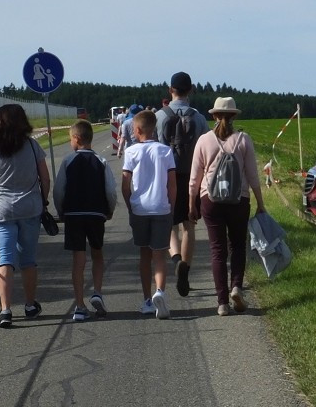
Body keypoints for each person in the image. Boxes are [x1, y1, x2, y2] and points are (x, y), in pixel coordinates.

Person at [188, 97, 265, 316]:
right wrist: (260, 203)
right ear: (234, 116)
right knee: (238, 246)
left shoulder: (204, 140)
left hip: (210, 200)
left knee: (217, 250)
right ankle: (237, 287)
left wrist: (191, 204)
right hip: (238, 200)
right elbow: (252, 175)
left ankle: (222, 303)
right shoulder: (243, 139)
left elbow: (194, 178)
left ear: (213, 116)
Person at [0, 104, 50, 329]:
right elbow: (45, 178)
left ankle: (5, 310)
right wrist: (43, 200)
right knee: (28, 260)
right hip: (30, 209)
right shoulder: (32, 146)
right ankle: (30, 304)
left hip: (2, 211)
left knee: (5, 260)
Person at [53, 120, 118, 322]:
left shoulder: (68, 161)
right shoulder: (101, 161)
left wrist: (61, 210)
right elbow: (110, 190)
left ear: (77, 138)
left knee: (78, 259)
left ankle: (79, 305)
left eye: (70, 138)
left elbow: (58, 190)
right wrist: (109, 210)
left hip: (74, 214)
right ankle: (97, 291)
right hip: (96, 214)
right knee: (97, 254)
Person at [156, 71, 209, 298]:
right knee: (189, 225)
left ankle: (176, 258)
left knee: (170, 226)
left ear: (171, 90)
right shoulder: (198, 118)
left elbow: (156, 149)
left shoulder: (159, 116)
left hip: (168, 177)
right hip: (191, 178)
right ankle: (185, 267)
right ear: (191, 90)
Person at [121, 110, 176, 319]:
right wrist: (171, 205)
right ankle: (160, 291)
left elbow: (126, 184)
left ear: (136, 130)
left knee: (144, 255)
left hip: (140, 209)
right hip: (161, 207)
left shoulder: (131, 152)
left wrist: (129, 205)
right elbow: (172, 184)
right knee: (159, 255)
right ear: (154, 129)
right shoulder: (165, 151)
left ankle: (146, 300)